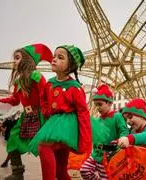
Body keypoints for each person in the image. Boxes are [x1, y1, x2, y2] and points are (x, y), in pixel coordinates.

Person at [29, 45, 92, 180]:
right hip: (54, 124)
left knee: (44, 146)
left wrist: (84, 140)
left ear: (70, 66)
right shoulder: (50, 83)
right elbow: (43, 96)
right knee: (60, 171)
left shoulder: (75, 88)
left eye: (60, 57)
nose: (54, 59)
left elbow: (83, 113)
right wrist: (46, 110)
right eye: (54, 56)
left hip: (68, 128)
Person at [0, 43, 53, 180]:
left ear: (26, 60)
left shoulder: (36, 76)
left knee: (46, 148)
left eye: (17, 58)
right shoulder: (18, 81)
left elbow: (45, 95)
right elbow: (14, 100)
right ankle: (17, 173)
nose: (14, 61)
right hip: (26, 115)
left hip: (40, 114)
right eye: (14, 58)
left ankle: (53, 174)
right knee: (13, 140)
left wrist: (47, 115)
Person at [80, 84, 129, 180]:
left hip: (110, 155)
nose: (98, 107)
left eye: (100, 104)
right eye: (96, 104)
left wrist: (121, 140)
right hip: (95, 154)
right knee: (84, 170)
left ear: (109, 103)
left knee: (106, 177)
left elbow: (124, 131)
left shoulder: (117, 117)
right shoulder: (98, 120)